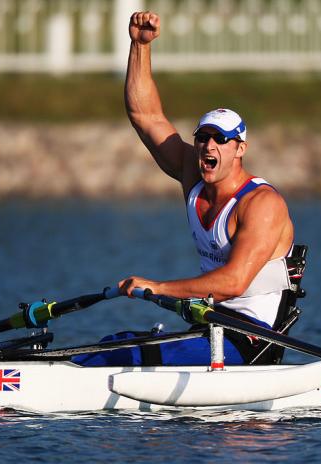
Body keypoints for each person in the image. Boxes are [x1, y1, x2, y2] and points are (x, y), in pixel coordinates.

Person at [73, 11, 296, 367]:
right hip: (208, 328)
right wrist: (140, 46)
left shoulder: (261, 204)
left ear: (240, 149)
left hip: (250, 340)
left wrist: (159, 287)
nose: (209, 147)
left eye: (221, 140)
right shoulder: (192, 174)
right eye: (203, 138)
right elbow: (146, 117)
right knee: (116, 343)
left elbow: (233, 282)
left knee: (127, 354)